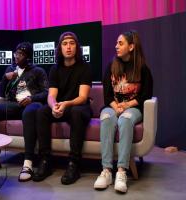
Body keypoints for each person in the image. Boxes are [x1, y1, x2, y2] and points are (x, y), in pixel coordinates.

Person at [0, 42, 48, 182]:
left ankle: (28, 162)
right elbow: (2, 93)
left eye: (21, 54)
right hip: (14, 104)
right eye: (16, 54)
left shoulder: (38, 71)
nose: (17, 57)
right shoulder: (10, 69)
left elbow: (46, 92)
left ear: (28, 57)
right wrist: (5, 78)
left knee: (28, 113)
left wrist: (31, 98)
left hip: (32, 104)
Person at [93, 30, 153, 193]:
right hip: (113, 106)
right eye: (116, 43)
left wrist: (125, 106)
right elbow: (107, 95)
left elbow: (145, 95)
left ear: (131, 46)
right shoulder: (111, 66)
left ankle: (121, 171)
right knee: (106, 118)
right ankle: (106, 171)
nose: (116, 46)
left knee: (125, 120)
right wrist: (116, 107)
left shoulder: (142, 69)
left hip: (133, 108)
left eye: (121, 43)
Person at [32, 32, 92, 185]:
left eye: (72, 43)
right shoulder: (55, 68)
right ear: (60, 48)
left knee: (77, 112)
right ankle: (45, 160)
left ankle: (74, 163)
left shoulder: (84, 67)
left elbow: (83, 97)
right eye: (65, 44)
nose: (68, 47)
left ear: (76, 47)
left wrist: (65, 104)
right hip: (62, 107)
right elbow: (51, 95)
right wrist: (53, 106)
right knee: (42, 111)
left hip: (78, 106)